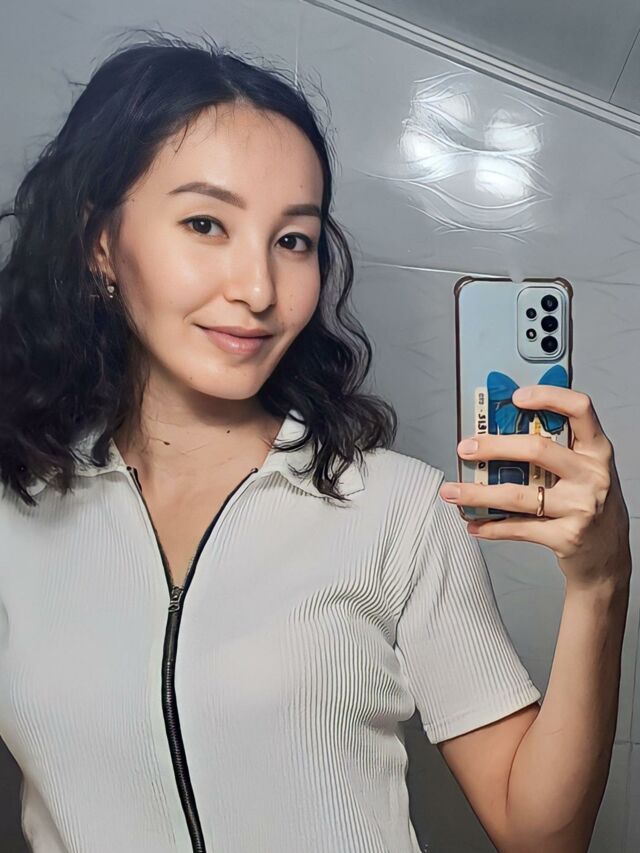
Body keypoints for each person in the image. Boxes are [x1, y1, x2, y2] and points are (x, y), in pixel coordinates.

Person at [0, 28, 631, 853]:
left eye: (293, 239)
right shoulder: (16, 510)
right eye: (205, 223)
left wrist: (602, 581)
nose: (259, 288)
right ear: (100, 244)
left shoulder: (400, 509)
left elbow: (541, 834)